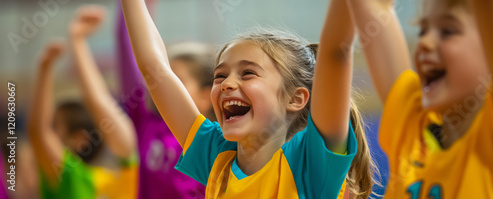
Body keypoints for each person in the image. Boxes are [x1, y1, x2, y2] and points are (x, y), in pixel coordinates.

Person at [120, 0, 377, 198]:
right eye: (219, 75)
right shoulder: (218, 157)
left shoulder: (310, 164)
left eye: (248, 73)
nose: (227, 83)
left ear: (296, 98)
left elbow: (336, 53)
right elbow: (154, 68)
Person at [346, 0, 493, 198]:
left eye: (448, 31)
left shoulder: (492, 138)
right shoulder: (412, 126)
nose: (424, 43)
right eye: (422, 31)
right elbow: (373, 5)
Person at [27, 6, 138, 199]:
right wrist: (76, 39)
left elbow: (38, 131)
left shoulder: (75, 178)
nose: (49, 136)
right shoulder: (122, 176)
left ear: (80, 139)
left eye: (55, 127)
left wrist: (46, 67)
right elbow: (39, 132)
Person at [116, 0, 211, 197]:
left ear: (206, 96)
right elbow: (139, 58)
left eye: (177, 80)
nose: (162, 85)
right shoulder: (148, 122)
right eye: (165, 78)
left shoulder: (212, 141)